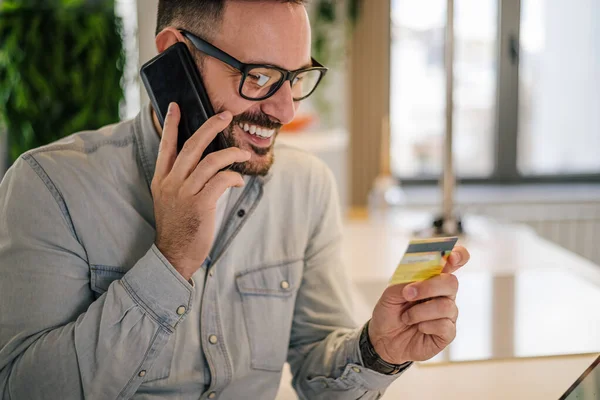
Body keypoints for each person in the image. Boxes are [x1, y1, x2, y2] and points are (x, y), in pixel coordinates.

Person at [0, 1, 470, 399]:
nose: (286, 109)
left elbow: (315, 370)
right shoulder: (50, 185)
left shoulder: (306, 187)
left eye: (297, 76)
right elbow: (22, 386)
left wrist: (377, 350)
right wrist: (171, 259)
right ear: (174, 55)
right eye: (259, 75)